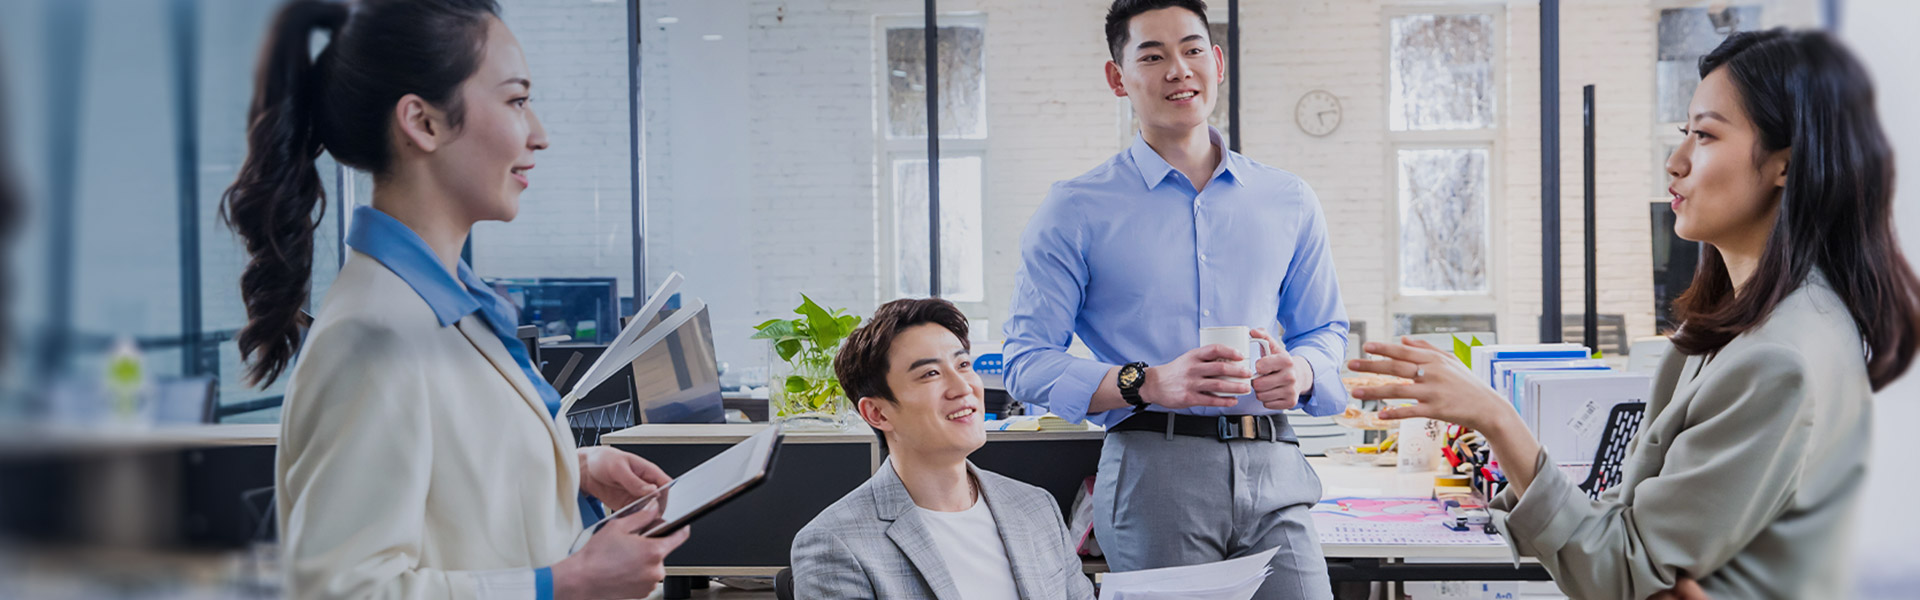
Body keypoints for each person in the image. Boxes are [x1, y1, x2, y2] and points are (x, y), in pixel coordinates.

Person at [1348, 28, 1920, 600]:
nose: (1675, 162)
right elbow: (1632, 548)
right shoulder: (1738, 330)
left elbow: (1623, 571)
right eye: (1683, 134)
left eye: (1705, 135)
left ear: (1785, 165)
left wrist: (1495, 417)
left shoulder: (1777, 359)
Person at [224, 2, 687, 598]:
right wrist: (566, 584)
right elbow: (343, 590)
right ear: (423, 123)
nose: (539, 134)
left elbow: (447, 471)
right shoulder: (371, 337)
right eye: (517, 100)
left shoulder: (448, 305)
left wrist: (565, 469)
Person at [1000, 1, 1347, 598]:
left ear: (1217, 63)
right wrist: (1149, 381)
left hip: (1275, 468)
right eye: (1152, 56)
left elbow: (1325, 331)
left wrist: (1305, 372)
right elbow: (1025, 360)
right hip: (1153, 475)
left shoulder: (1288, 198)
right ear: (1118, 78)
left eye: (1191, 50)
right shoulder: (1075, 209)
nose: (1178, 70)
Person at [790, 298, 1096, 600]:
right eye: (930, 374)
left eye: (963, 365)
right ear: (877, 413)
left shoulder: (1036, 507)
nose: (963, 387)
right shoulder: (835, 545)